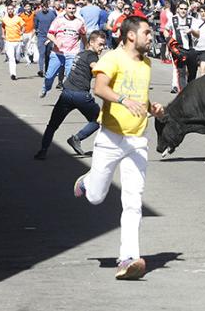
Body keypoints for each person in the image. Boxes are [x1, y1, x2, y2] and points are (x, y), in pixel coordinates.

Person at [73, 16, 165, 280]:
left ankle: (128, 259)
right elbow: (100, 88)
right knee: (95, 197)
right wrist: (123, 100)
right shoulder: (112, 58)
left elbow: (141, 98)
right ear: (131, 35)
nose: (151, 36)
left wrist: (152, 108)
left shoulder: (146, 63)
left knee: (133, 201)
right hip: (110, 138)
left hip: (137, 141)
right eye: (147, 32)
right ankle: (88, 181)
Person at [34, 30, 107, 160]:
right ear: (91, 42)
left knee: (52, 125)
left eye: (103, 45)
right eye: (100, 44)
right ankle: (77, 138)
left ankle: (43, 150)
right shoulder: (92, 56)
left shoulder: (81, 53)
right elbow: (95, 67)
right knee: (99, 119)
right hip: (81, 96)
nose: (102, 48)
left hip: (66, 93)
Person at [40, 0, 87, 97]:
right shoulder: (59, 20)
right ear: (65, 9)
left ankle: (67, 96)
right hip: (58, 53)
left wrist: (86, 48)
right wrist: (56, 42)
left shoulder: (79, 22)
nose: (71, 10)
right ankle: (46, 88)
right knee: (49, 76)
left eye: (73, 8)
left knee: (70, 76)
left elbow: (83, 36)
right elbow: (50, 34)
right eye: (69, 8)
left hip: (72, 53)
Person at [164, 0, 198, 92]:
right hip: (179, 50)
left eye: (185, 9)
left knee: (192, 72)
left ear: (188, 10)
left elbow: (198, 34)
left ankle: (190, 89)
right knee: (181, 72)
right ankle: (183, 92)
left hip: (191, 49)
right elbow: (166, 30)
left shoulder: (192, 20)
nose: (183, 11)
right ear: (178, 9)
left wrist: (191, 31)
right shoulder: (173, 19)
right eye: (181, 9)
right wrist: (169, 42)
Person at [34, 0, 58, 77]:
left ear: (48, 6)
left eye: (46, 6)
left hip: (50, 36)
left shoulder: (52, 13)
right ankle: (41, 70)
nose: (44, 8)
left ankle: (47, 70)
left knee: (48, 54)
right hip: (41, 37)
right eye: (43, 6)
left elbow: (56, 24)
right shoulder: (38, 14)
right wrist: (37, 33)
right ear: (41, 6)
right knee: (42, 53)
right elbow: (36, 25)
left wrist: (52, 37)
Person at [1, 3, 25, 80]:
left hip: (17, 40)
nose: (10, 10)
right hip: (9, 41)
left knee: (17, 57)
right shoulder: (4, 18)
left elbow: (23, 26)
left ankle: (18, 59)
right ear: (7, 10)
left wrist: (22, 32)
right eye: (9, 9)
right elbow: (3, 26)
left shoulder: (18, 18)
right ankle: (13, 74)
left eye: (11, 9)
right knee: (11, 58)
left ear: (13, 10)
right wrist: (3, 34)